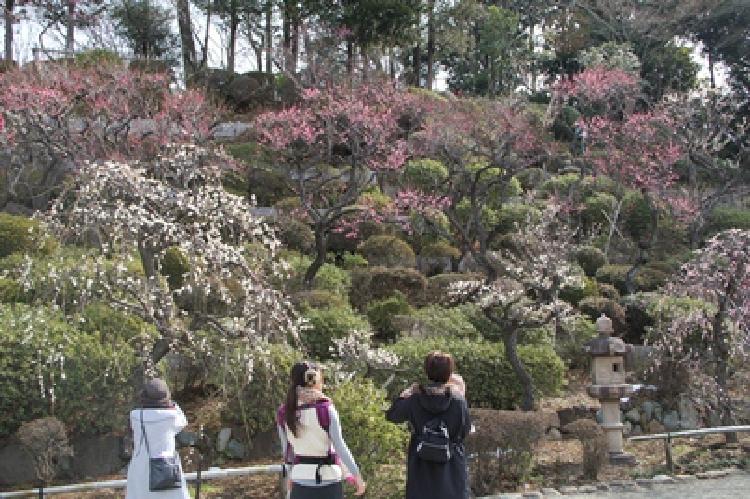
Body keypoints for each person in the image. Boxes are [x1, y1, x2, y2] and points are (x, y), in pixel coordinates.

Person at [386, 351, 471, 499]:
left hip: (421, 467)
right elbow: (465, 430)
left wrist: (402, 396)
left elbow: (392, 416)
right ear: (449, 373)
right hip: (451, 468)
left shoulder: (415, 399)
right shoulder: (458, 401)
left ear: (427, 371)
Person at [277, 361, 366, 499]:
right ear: (314, 380)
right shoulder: (325, 409)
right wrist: (356, 475)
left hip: (300, 480)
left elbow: (287, 451)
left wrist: (291, 475)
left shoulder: (284, 412)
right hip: (328, 480)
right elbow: (340, 446)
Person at [126, 378, 189, 499]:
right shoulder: (172, 417)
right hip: (166, 467)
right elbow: (183, 422)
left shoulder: (135, 416)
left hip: (141, 466)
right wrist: (172, 404)